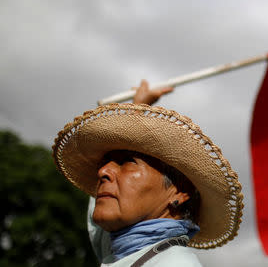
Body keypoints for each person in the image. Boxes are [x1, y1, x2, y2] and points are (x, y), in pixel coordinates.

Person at [52, 80, 244, 266]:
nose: (102, 171)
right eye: (104, 163)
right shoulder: (122, 251)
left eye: (127, 162)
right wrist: (138, 109)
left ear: (179, 191)